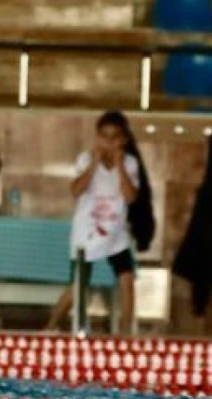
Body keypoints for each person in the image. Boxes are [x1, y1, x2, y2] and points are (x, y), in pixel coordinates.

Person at [46, 111, 140, 334]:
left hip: (115, 231)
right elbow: (76, 190)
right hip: (87, 230)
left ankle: (125, 333)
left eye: (114, 137)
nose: (109, 142)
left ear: (124, 140)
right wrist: (94, 165)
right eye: (104, 136)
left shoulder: (130, 163)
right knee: (79, 285)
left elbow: (131, 197)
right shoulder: (85, 160)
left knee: (127, 280)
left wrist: (120, 168)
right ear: (97, 137)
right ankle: (50, 325)